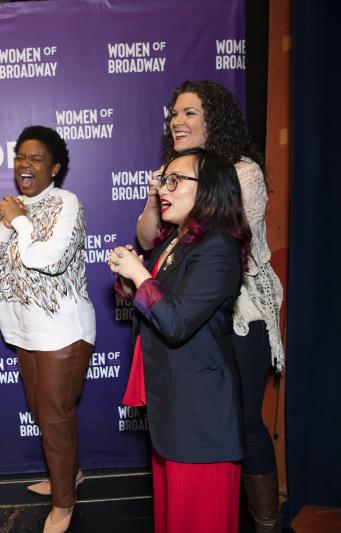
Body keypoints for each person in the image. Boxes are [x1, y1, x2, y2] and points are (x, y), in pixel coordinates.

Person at [136, 80, 285, 532]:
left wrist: (183, 186)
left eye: (189, 113)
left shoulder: (240, 173)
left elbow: (226, 230)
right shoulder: (172, 177)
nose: (177, 121)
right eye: (174, 114)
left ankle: (266, 523)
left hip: (238, 313)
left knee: (239, 422)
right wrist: (158, 191)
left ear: (212, 121)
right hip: (188, 305)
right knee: (195, 427)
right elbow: (149, 239)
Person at [111, 148, 250, 533]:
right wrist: (130, 283)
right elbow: (161, 302)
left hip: (201, 422)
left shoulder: (219, 247)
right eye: (162, 180)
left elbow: (174, 322)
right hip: (173, 411)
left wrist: (140, 276)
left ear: (208, 190)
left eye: (175, 180)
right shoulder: (176, 240)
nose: (163, 189)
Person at [0, 125, 95, 533]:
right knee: (45, 414)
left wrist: (20, 222)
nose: (25, 165)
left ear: (55, 167)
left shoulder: (67, 202)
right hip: (24, 330)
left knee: (54, 416)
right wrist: (8, 220)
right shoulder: (14, 205)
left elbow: (48, 259)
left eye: (36, 158)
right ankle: (70, 474)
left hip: (62, 330)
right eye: (20, 157)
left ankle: (64, 503)